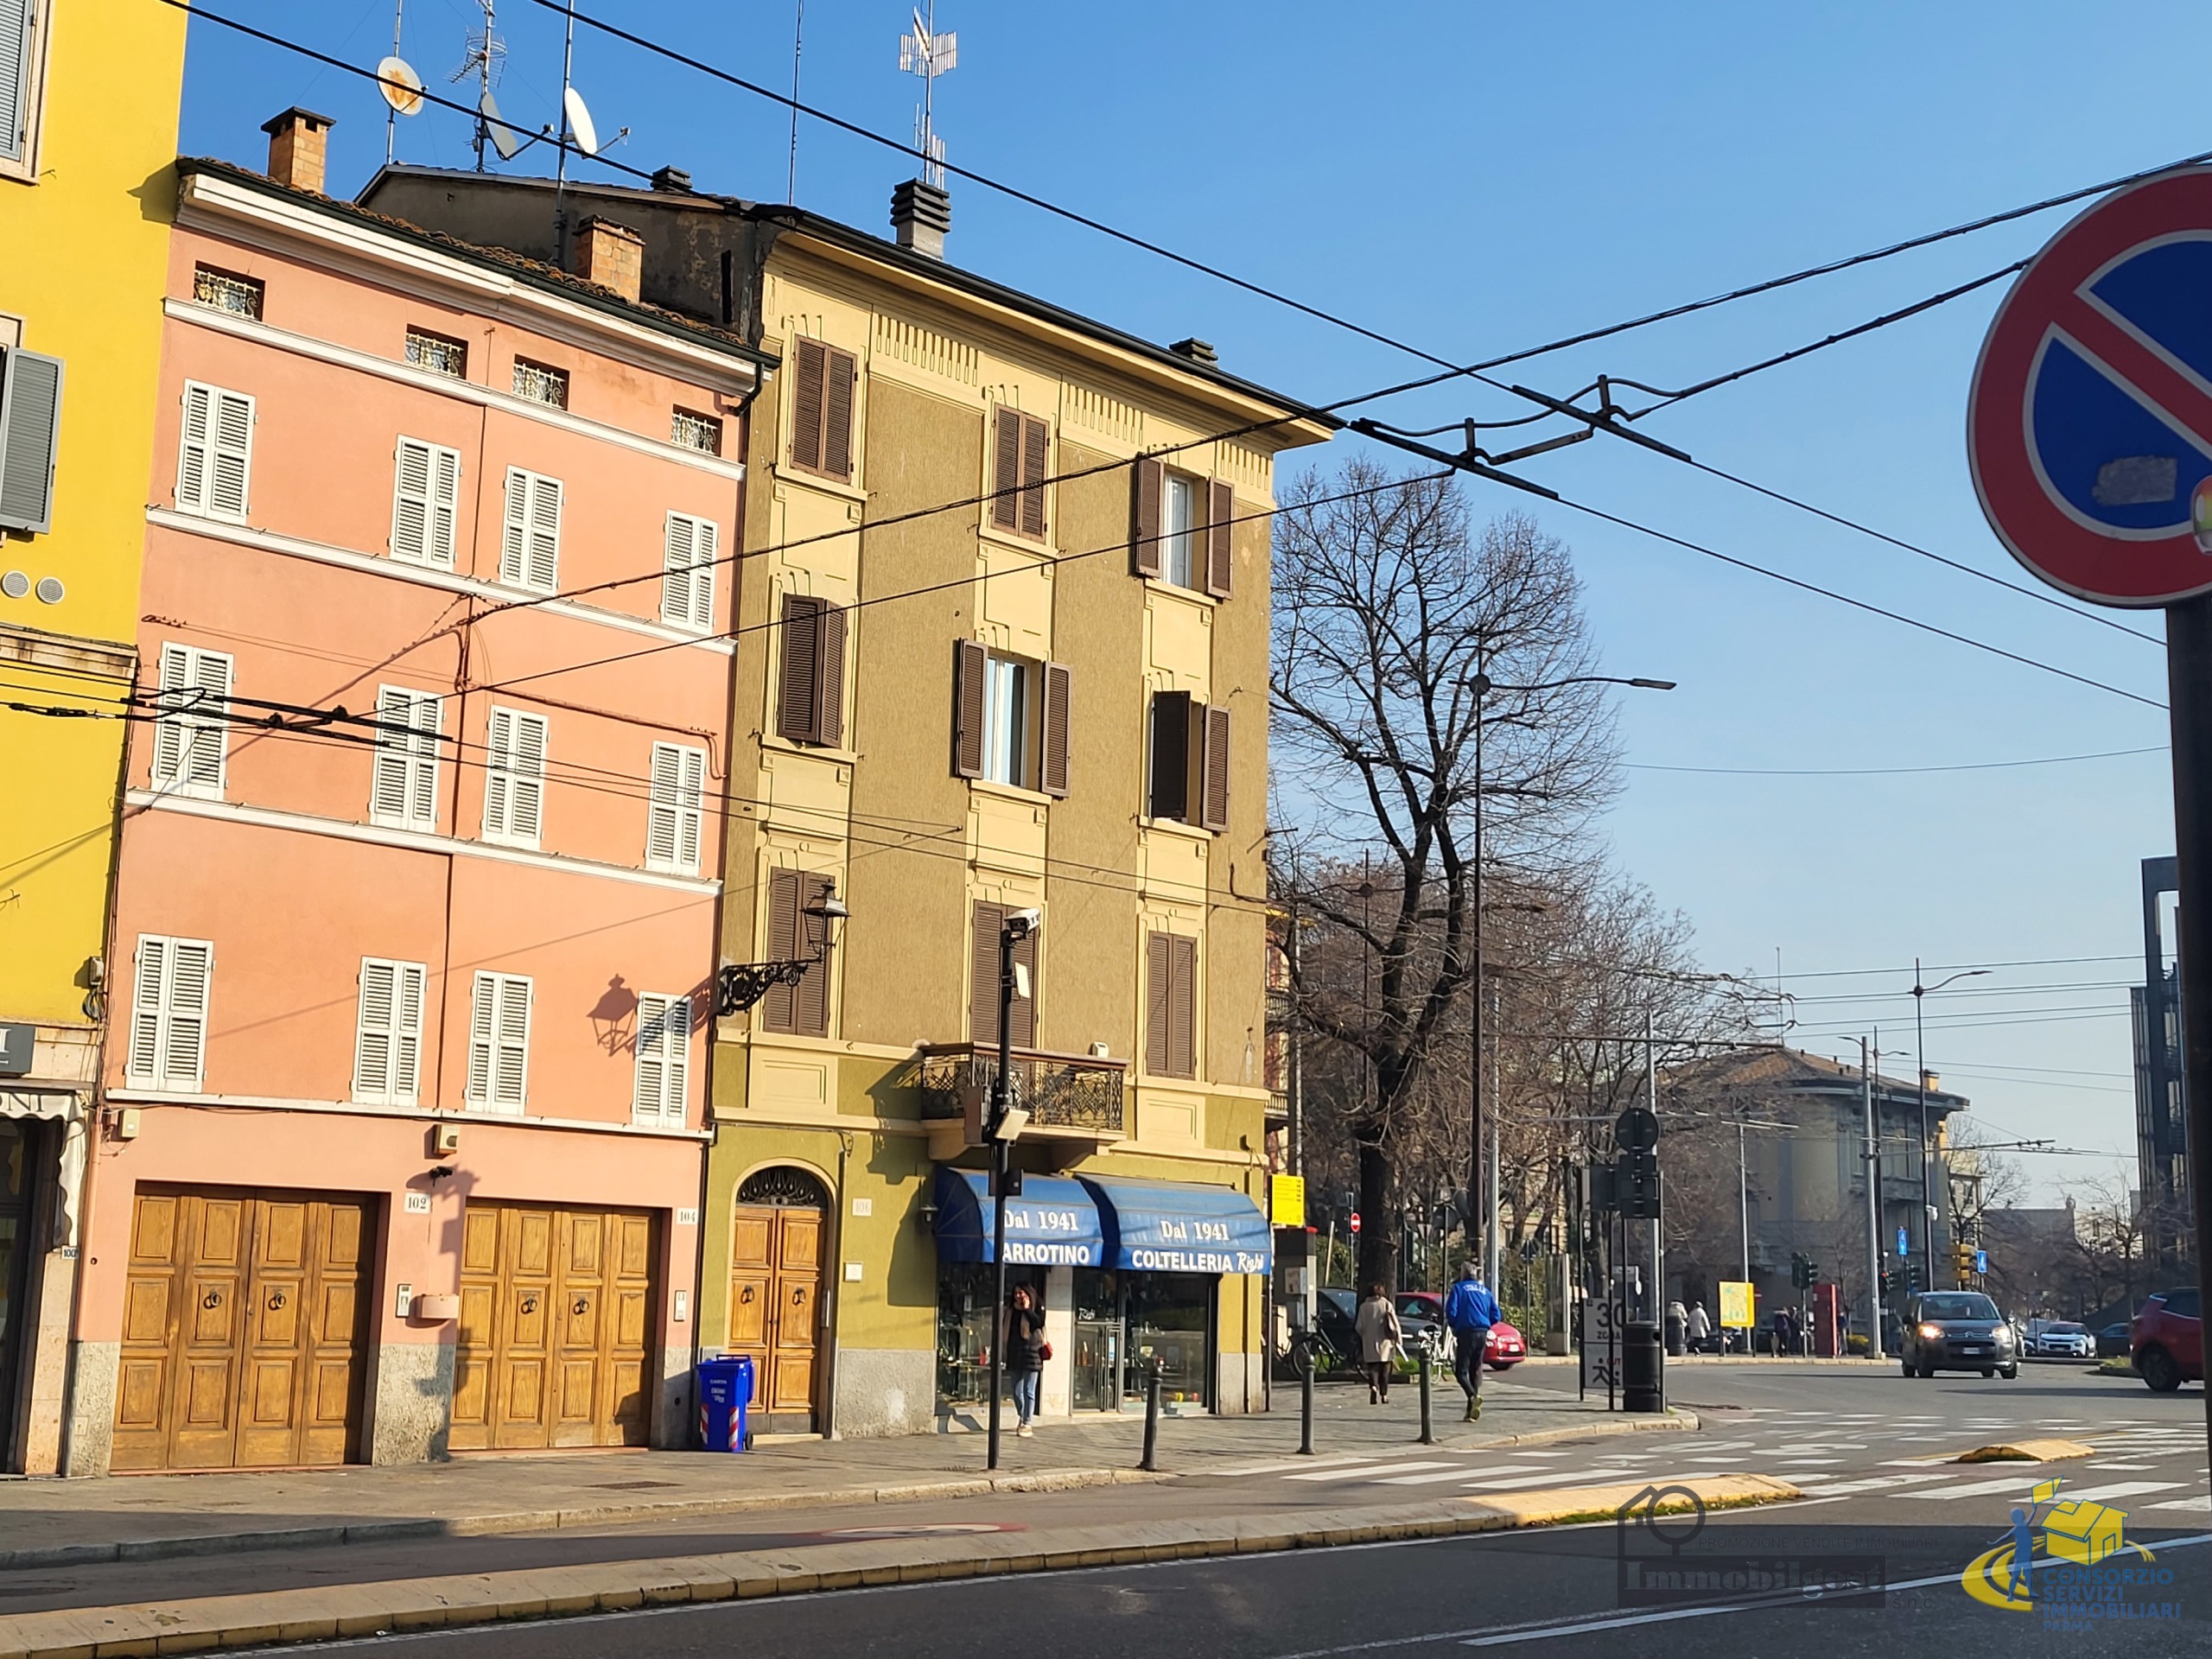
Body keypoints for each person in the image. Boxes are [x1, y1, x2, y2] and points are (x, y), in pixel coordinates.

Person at [1443, 1262, 1502, 1421]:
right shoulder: (1485, 1291)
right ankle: (1471, 1411)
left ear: (1463, 1274)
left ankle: (1472, 1396)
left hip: (1466, 1331)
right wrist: (1485, 1323)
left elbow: (1451, 1311)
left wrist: (1455, 1325)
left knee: (1460, 1371)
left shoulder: (1459, 1289)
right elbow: (1496, 1315)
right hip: (1482, 1332)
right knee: (1475, 1371)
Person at [1002, 1283, 1046, 1436]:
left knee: (1029, 1390)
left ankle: (1027, 1422)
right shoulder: (1011, 1309)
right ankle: (1023, 1415)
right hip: (1015, 1354)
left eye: (1021, 1293)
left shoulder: (1037, 1306)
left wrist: (1027, 1309)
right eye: (1016, 1294)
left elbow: (1038, 1323)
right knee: (1016, 1391)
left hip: (1033, 1353)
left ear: (1028, 1293)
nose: (1018, 1297)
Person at [1355, 1283, 1402, 1404]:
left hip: (1369, 1342)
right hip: (1385, 1341)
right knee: (1385, 1370)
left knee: (1373, 1368)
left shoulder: (1364, 1307)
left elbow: (1358, 1327)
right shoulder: (1386, 1304)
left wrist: (1364, 1336)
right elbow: (1395, 1324)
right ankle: (1384, 1395)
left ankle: (1374, 1386)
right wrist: (1398, 1339)